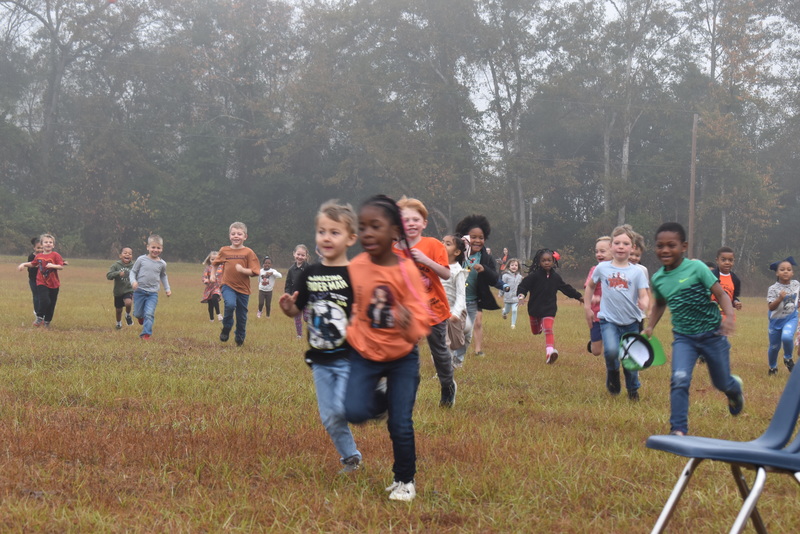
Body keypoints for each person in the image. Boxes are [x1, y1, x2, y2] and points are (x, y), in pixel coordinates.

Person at [344, 194, 431, 502]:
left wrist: (408, 322)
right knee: (353, 410)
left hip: (402, 358)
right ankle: (382, 399)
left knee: (401, 424)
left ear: (395, 231)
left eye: (375, 226)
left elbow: (422, 319)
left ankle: (405, 480)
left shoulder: (407, 271)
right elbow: (350, 306)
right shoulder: (356, 267)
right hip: (364, 355)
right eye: (363, 227)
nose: (367, 233)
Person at [279, 200, 362, 473]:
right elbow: (298, 309)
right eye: (322, 231)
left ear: (350, 238)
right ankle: (350, 458)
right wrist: (289, 308)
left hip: (349, 356)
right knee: (329, 416)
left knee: (342, 407)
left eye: (334, 232)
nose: (326, 237)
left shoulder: (355, 275)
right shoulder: (310, 273)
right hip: (321, 360)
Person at [645, 222, 744, 436]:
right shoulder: (658, 279)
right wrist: (650, 326)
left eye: (671, 245)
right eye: (660, 246)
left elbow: (720, 294)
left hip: (713, 335)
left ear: (684, 246)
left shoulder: (697, 268)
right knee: (679, 379)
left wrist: (729, 316)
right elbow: (660, 303)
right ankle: (678, 429)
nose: (665, 250)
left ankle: (734, 389)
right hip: (684, 338)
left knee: (721, 382)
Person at [395, 196, 456, 407]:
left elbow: (446, 274)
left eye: (416, 219)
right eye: (406, 220)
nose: (411, 224)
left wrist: (425, 260)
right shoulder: (393, 250)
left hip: (434, 310)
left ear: (424, 223)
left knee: (439, 353)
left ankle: (447, 386)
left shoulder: (433, 245)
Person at [585, 226, 649, 400]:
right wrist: (587, 308)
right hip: (608, 320)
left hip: (631, 322)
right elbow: (590, 286)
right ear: (611, 246)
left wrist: (644, 302)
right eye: (617, 243)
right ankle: (613, 373)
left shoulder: (637, 272)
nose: (621, 246)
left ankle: (633, 390)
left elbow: (644, 294)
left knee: (630, 358)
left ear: (632, 247)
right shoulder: (602, 268)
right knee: (611, 351)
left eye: (626, 244)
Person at [517, 248, 583, 364]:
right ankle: (540, 326)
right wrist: (521, 296)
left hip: (549, 309)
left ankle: (550, 353)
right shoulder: (534, 276)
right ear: (539, 262)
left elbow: (566, 288)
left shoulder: (556, 277)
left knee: (548, 329)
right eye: (543, 261)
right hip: (534, 309)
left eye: (549, 260)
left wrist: (579, 296)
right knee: (535, 332)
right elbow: (523, 286)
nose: (546, 263)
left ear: (553, 261)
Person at [453, 215, 500, 365]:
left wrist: (484, 269)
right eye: (473, 237)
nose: (477, 241)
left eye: (481, 237)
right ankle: (445, 363)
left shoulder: (485, 257)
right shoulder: (456, 253)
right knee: (452, 332)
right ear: (465, 237)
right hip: (454, 300)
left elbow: (494, 278)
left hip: (473, 301)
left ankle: (457, 362)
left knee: (467, 334)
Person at [211, 222, 260, 346]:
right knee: (230, 304)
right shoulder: (224, 250)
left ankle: (240, 336)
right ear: (229, 236)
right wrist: (212, 275)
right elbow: (215, 263)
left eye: (239, 234)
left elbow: (255, 271)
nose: (236, 236)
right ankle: (227, 327)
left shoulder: (248, 252)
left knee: (241, 315)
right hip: (227, 285)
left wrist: (243, 270)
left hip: (243, 289)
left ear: (245, 236)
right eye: (233, 234)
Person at [17, 233, 65, 328]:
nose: (48, 244)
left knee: (51, 304)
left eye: (50, 242)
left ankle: (47, 322)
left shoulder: (56, 255)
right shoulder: (39, 256)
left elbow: (61, 266)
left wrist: (53, 265)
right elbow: (33, 264)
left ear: (53, 245)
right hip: (41, 282)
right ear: (42, 245)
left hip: (54, 283)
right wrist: (23, 264)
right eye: (46, 242)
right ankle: (39, 317)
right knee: (44, 300)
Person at [130, 235, 171, 340]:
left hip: (152, 293)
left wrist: (167, 289)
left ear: (162, 249)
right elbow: (133, 272)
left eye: (158, 248)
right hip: (139, 291)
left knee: (149, 313)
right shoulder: (141, 259)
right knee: (138, 313)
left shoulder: (162, 264)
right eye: (153, 247)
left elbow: (163, 276)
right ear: (148, 247)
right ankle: (140, 317)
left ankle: (146, 334)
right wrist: (133, 281)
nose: (155, 250)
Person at [766, 257, 799, 375]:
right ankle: (773, 367)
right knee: (774, 347)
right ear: (777, 273)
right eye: (782, 269)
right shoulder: (773, 289)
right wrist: (780, 298)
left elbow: (797, 301)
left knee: (787, 337)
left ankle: (788, 358)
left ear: (792, 273)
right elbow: (771, 307)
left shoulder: (796, 285)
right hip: (776, 321)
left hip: (791, 318)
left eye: (789, 269)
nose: (786, 271)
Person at [441, 234, 467, 367]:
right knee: (442, 343)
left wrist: (456, 313)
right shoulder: (436, 266)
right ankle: (443, 370)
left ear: (457, 252)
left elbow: (461, 295)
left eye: (448, 244)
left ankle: (465, 332)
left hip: (453, 312)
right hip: (438, 312)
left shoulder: (458, 271)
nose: (442, 245)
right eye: (442, 242)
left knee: (455, 343)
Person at [585, 236, 612, 356]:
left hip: (612, 315)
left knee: (612, 345)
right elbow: (588, 288)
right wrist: (593, 298)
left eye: (602, 251)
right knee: (596, 351)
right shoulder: (595, 270)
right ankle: (594, 342)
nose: (599, 254)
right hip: (596, 315)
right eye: (597, 251)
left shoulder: (618, 270)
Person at [285, 244, 310, 339]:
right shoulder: (291, 270)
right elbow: (288, 284)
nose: (300, 257)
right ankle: (299, 335)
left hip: (307, 298)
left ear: (306, 256)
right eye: (298, 254)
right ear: (294, 254)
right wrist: (288, 295)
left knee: (307, 317)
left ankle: (313, 331)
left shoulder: (309, 269)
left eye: (303, 255)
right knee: (297, 318)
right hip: (295, 298)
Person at [106, 247, 134, 329]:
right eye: (125, 253)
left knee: (128, 303)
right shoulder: (116, 265)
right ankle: (118, 323)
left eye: (130, 254)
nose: (127, 255)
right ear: (120, 255)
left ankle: (128, 315)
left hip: (129, 290)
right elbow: (109, 275)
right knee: (118, 310)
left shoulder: (134, 266)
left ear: (132, 256)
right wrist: (118, 273)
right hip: (118, 291)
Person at [712, 247, 743, 315]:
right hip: (711, 315)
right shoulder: (711, 276)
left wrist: (736, 302)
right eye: (723, 260)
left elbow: (733, 297)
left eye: (730, 260)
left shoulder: (735, 279)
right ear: (717, 260)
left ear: (733, 261)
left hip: (727, 316)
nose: (727, 262)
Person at [500, 258, 523, 329]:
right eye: (512, 265)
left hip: (516, 297)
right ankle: (504, 312)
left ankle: (513, 325)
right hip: (508, 297)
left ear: (518, 267)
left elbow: (521, 287)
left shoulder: (519, 277)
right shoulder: (505, 276)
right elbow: (502, 285)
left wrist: (521, 294)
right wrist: (501, 293)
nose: (514, 267)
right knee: (507, 311)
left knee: (514, 310)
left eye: (516, 265)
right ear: (509, 266)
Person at [201, 251, 224, 322]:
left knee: (214, 298)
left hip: (218, 287)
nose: (214, 261)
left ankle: (219, 314)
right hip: (210, 288)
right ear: (209, 259)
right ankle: (211, 319)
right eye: (212, 259)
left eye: (216, 259)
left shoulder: (222, 267)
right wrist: (205, 280)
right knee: (210, 304)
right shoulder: (208, 268)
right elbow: (204, 276)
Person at [26, 237, 43, 316]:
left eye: (42, 248)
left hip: (43, 280)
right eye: (38, 248)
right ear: (34, 248)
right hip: (34, 280)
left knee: (43, 297)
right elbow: (29, 268)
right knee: (36, 297)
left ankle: (43, 313)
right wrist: (35, 266)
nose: (40, 250)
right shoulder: (31, 256)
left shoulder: (46, 256)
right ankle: (37, 313)